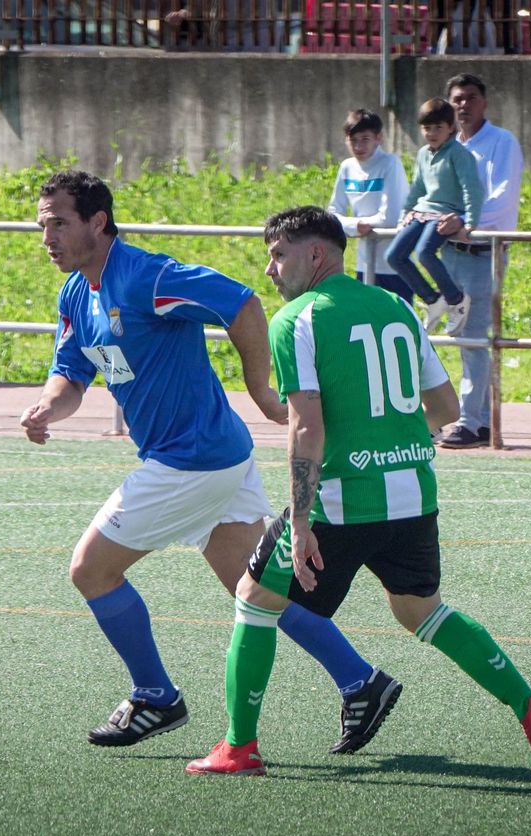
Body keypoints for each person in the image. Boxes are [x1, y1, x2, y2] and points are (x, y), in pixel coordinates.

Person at [20, 170, 399, 754]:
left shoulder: (146, 277)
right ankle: (361, 681)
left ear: (97, 222)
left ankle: (154, 695)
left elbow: (241, 303)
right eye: (43, 224)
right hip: (216, 457)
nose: (46, 236)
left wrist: (257, 387)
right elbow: (72, 372)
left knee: (90, 570)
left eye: (58, 223)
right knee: (255, 591)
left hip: (189, 461)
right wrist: (48, 407)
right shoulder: (76, 292)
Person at [185, 207, 531, 779]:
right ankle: (530, 706)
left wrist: (301, 516)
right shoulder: (395, 307)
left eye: (278, 254)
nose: (270, 268)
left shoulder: (296, 320)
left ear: (316, 254)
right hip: (413, 495)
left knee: (254, 597)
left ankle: (240, 747)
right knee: (421, 610)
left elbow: (306, 427)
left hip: (342, 501)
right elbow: (447, 410)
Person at [435, 73, 523, 450]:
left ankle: (471, 421)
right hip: (446, 252)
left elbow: (504, 197)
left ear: (484, 102)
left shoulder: (501, 143)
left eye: (471, 98)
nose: (463, 105)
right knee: (448, 334)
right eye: (457, 99)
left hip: (483, 252)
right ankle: (472, 418)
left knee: (474, 338)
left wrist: (465, 221)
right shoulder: (444, 145)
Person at [384, 97, 482, 334]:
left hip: (445, 213)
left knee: (425, 252)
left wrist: (469, 221)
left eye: (438, 127)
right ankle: (432, 299)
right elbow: (417, 187)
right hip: (423, 211)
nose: (432, 133)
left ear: (451, 127)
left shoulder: (459, 154)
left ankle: (456, 299)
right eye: (427, 127)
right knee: (394, 255)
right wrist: (404, 215)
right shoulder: (423, 154)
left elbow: (472, 188)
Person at [327, 108, 412, 302]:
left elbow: (391, 218)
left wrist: (356, 224)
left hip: (394, 263)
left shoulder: (391, 163)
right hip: (364, 262)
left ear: (378, 138)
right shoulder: (346, 167)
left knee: (400, 322)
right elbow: (332, 214)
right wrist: (355, 226)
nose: (358, 146)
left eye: (365, 139)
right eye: (353, 140)